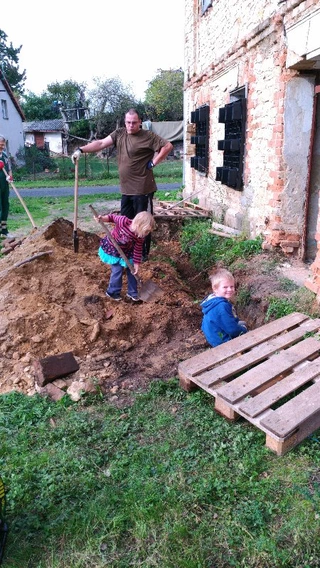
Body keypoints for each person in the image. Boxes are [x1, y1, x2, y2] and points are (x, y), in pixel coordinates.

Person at [72, 108, 173, 258]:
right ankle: (127, 251)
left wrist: (153, 162)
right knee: (125, 223)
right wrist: (80, 150)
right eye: (128, 122)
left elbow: (168, 146)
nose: (131, 125)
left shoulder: (148, 136)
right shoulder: (119, 134)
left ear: (140, 122)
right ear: (124, 122)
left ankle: (143, 255)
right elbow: (100, 143)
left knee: (142, 223)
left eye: (134, 122)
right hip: (126, 189)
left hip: (142, 189)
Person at [94, 210, 157, 302]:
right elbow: (112, 217)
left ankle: (133, 292)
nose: (146, 234)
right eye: (146, 231)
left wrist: (136, 265)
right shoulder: (123, 221)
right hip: (113, 249)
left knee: (132, 271)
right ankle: (112, 292)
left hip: (127, 251)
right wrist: (102, 219)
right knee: (117, 270)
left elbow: (138, 250)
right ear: (138, 225)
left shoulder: (140, 237)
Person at [201, 268, 247, 347]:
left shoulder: (212, 301)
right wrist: (244, 330)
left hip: (214, 337)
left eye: (231, 286)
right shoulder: (221, 306)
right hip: (223, 341)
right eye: (225, 287)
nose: (229, 289)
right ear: (215, 289)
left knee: (242, 323)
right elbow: (232, 330)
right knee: (247, 331)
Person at [0, 135, 13, 238]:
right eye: (0, 145)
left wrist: (10, 176)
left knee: (5, 206)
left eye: (3, 144)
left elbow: (9, 168)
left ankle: (4, 230)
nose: (2, 146)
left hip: (4, 184)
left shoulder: (4, 155)